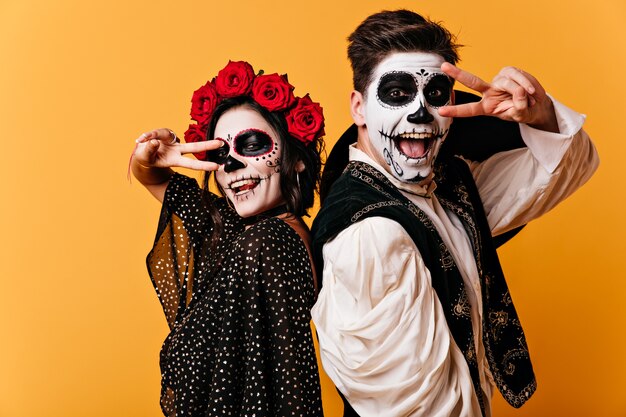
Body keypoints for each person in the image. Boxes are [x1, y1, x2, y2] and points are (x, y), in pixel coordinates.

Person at [310, 9, 599, 417]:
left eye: (436, 94)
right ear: (358, 107)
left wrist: (540, 114)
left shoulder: (449, 189)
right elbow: (414, 405)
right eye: (396, 93)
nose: (420, 113)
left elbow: (566, 168)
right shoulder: (371, 234)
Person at [131, 60, 325, 416]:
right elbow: (152, 176)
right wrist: (156, 154)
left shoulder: (268, 243)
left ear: (296, 158)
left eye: (251, 145)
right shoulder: (240, 232)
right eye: (220, 154)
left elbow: (284, 384)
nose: (231, 165)